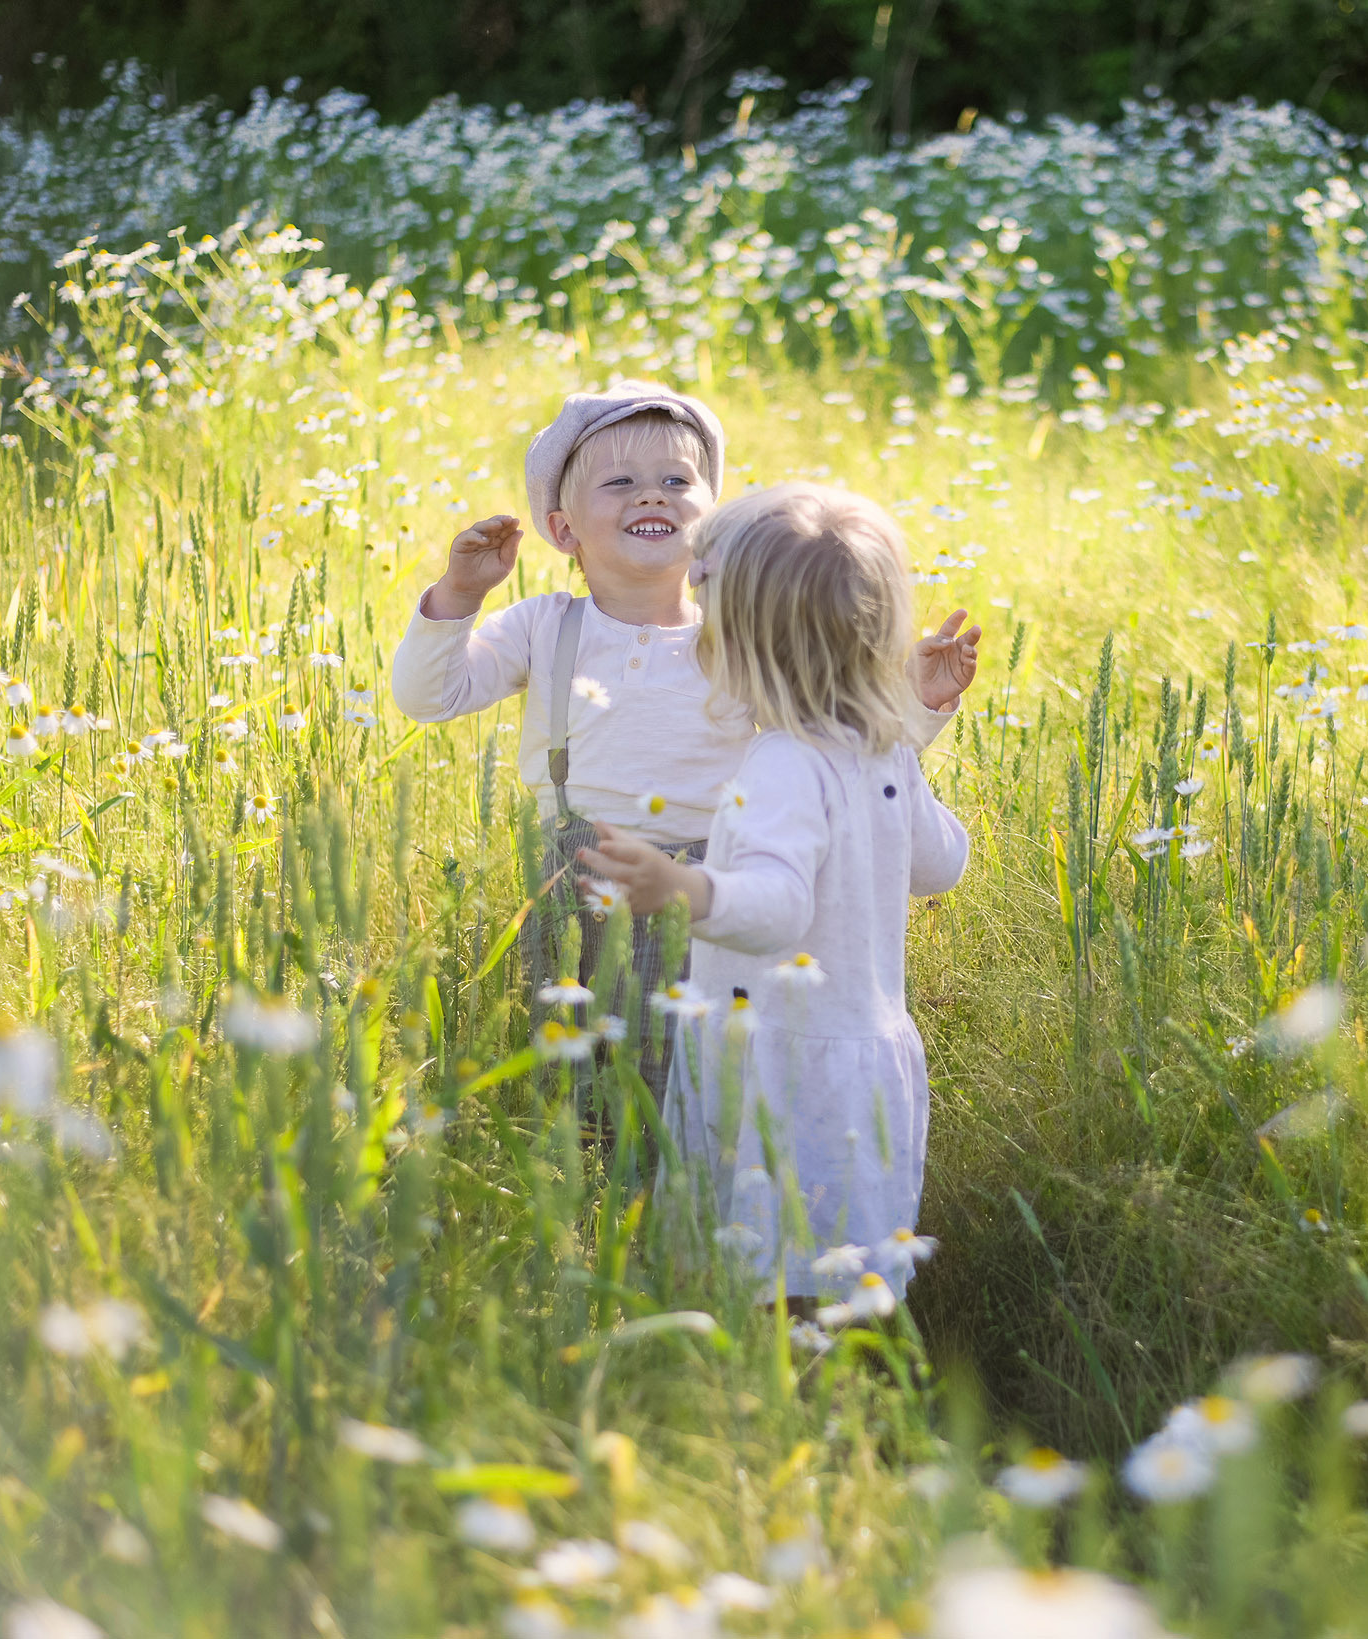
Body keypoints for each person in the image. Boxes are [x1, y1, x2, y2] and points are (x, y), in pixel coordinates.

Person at [389, 383, 978, 1135]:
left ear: (712, 520)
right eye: (620, 482)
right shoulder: (546, 626)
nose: (651, 496)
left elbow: (837, 751)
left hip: (719, 882)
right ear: (563, 528)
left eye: (676, 480)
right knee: (588, 1081)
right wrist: (458, 595)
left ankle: (698, 1196)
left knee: (701, 1080)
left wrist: (916, 709)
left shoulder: (736, 637)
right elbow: (428, 695)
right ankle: (603, 1208)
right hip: (585, 880)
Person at [582, 483, 970, 1312]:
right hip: (864, 1063)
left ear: (743, 646)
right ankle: (846, 1417)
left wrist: (686, 885)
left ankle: (761, 1411)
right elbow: (940, 862)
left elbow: (780, 906)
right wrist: (919, 719)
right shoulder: (880, 748)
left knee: (762, 1276)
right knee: (843, 1280)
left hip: (782, 1069)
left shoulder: (782, 763)